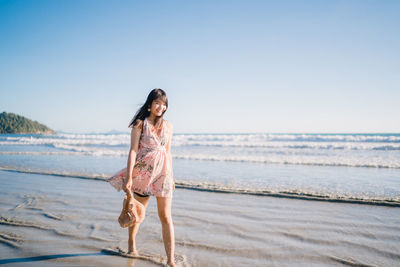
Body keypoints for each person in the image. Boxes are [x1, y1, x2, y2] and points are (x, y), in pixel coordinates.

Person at [117, 88, 175, 266]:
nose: (161, 107)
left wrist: (171, 176)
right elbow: (133, 150)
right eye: (157, 103)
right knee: (137, 213)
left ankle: (171, 260)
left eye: (164, 104)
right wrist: (129, 178)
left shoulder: (168, 126)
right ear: (150, 104)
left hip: (163, 175)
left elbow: (168, 152)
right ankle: (131, 243)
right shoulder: (140, 124)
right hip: (143, 175)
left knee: (166, 217)